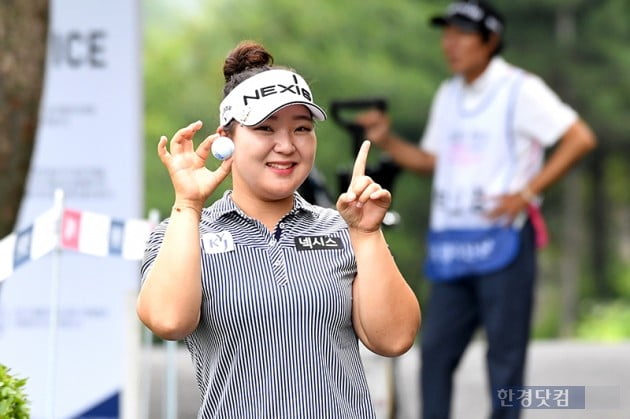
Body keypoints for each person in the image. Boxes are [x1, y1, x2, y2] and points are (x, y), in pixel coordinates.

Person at [136, 40, 421, 418]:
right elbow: (168, 320)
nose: (286, 145)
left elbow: (395, 338)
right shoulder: (185, 231)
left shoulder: (344, 228)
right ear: (226, 141)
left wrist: (367, 234)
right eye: (265, 128)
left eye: (301, 128)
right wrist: (188, 205)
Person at [355, 1, 596, 418]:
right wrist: (387, 140)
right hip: (452, 248)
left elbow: (579, 138)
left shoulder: (520, 88)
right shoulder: (449, 94)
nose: (450, 43)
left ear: (490, 41)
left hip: (502, 243)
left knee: (504, 361)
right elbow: (434, 161)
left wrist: (526, 193)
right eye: (447, 33)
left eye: (462, 34)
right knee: (434, 355)